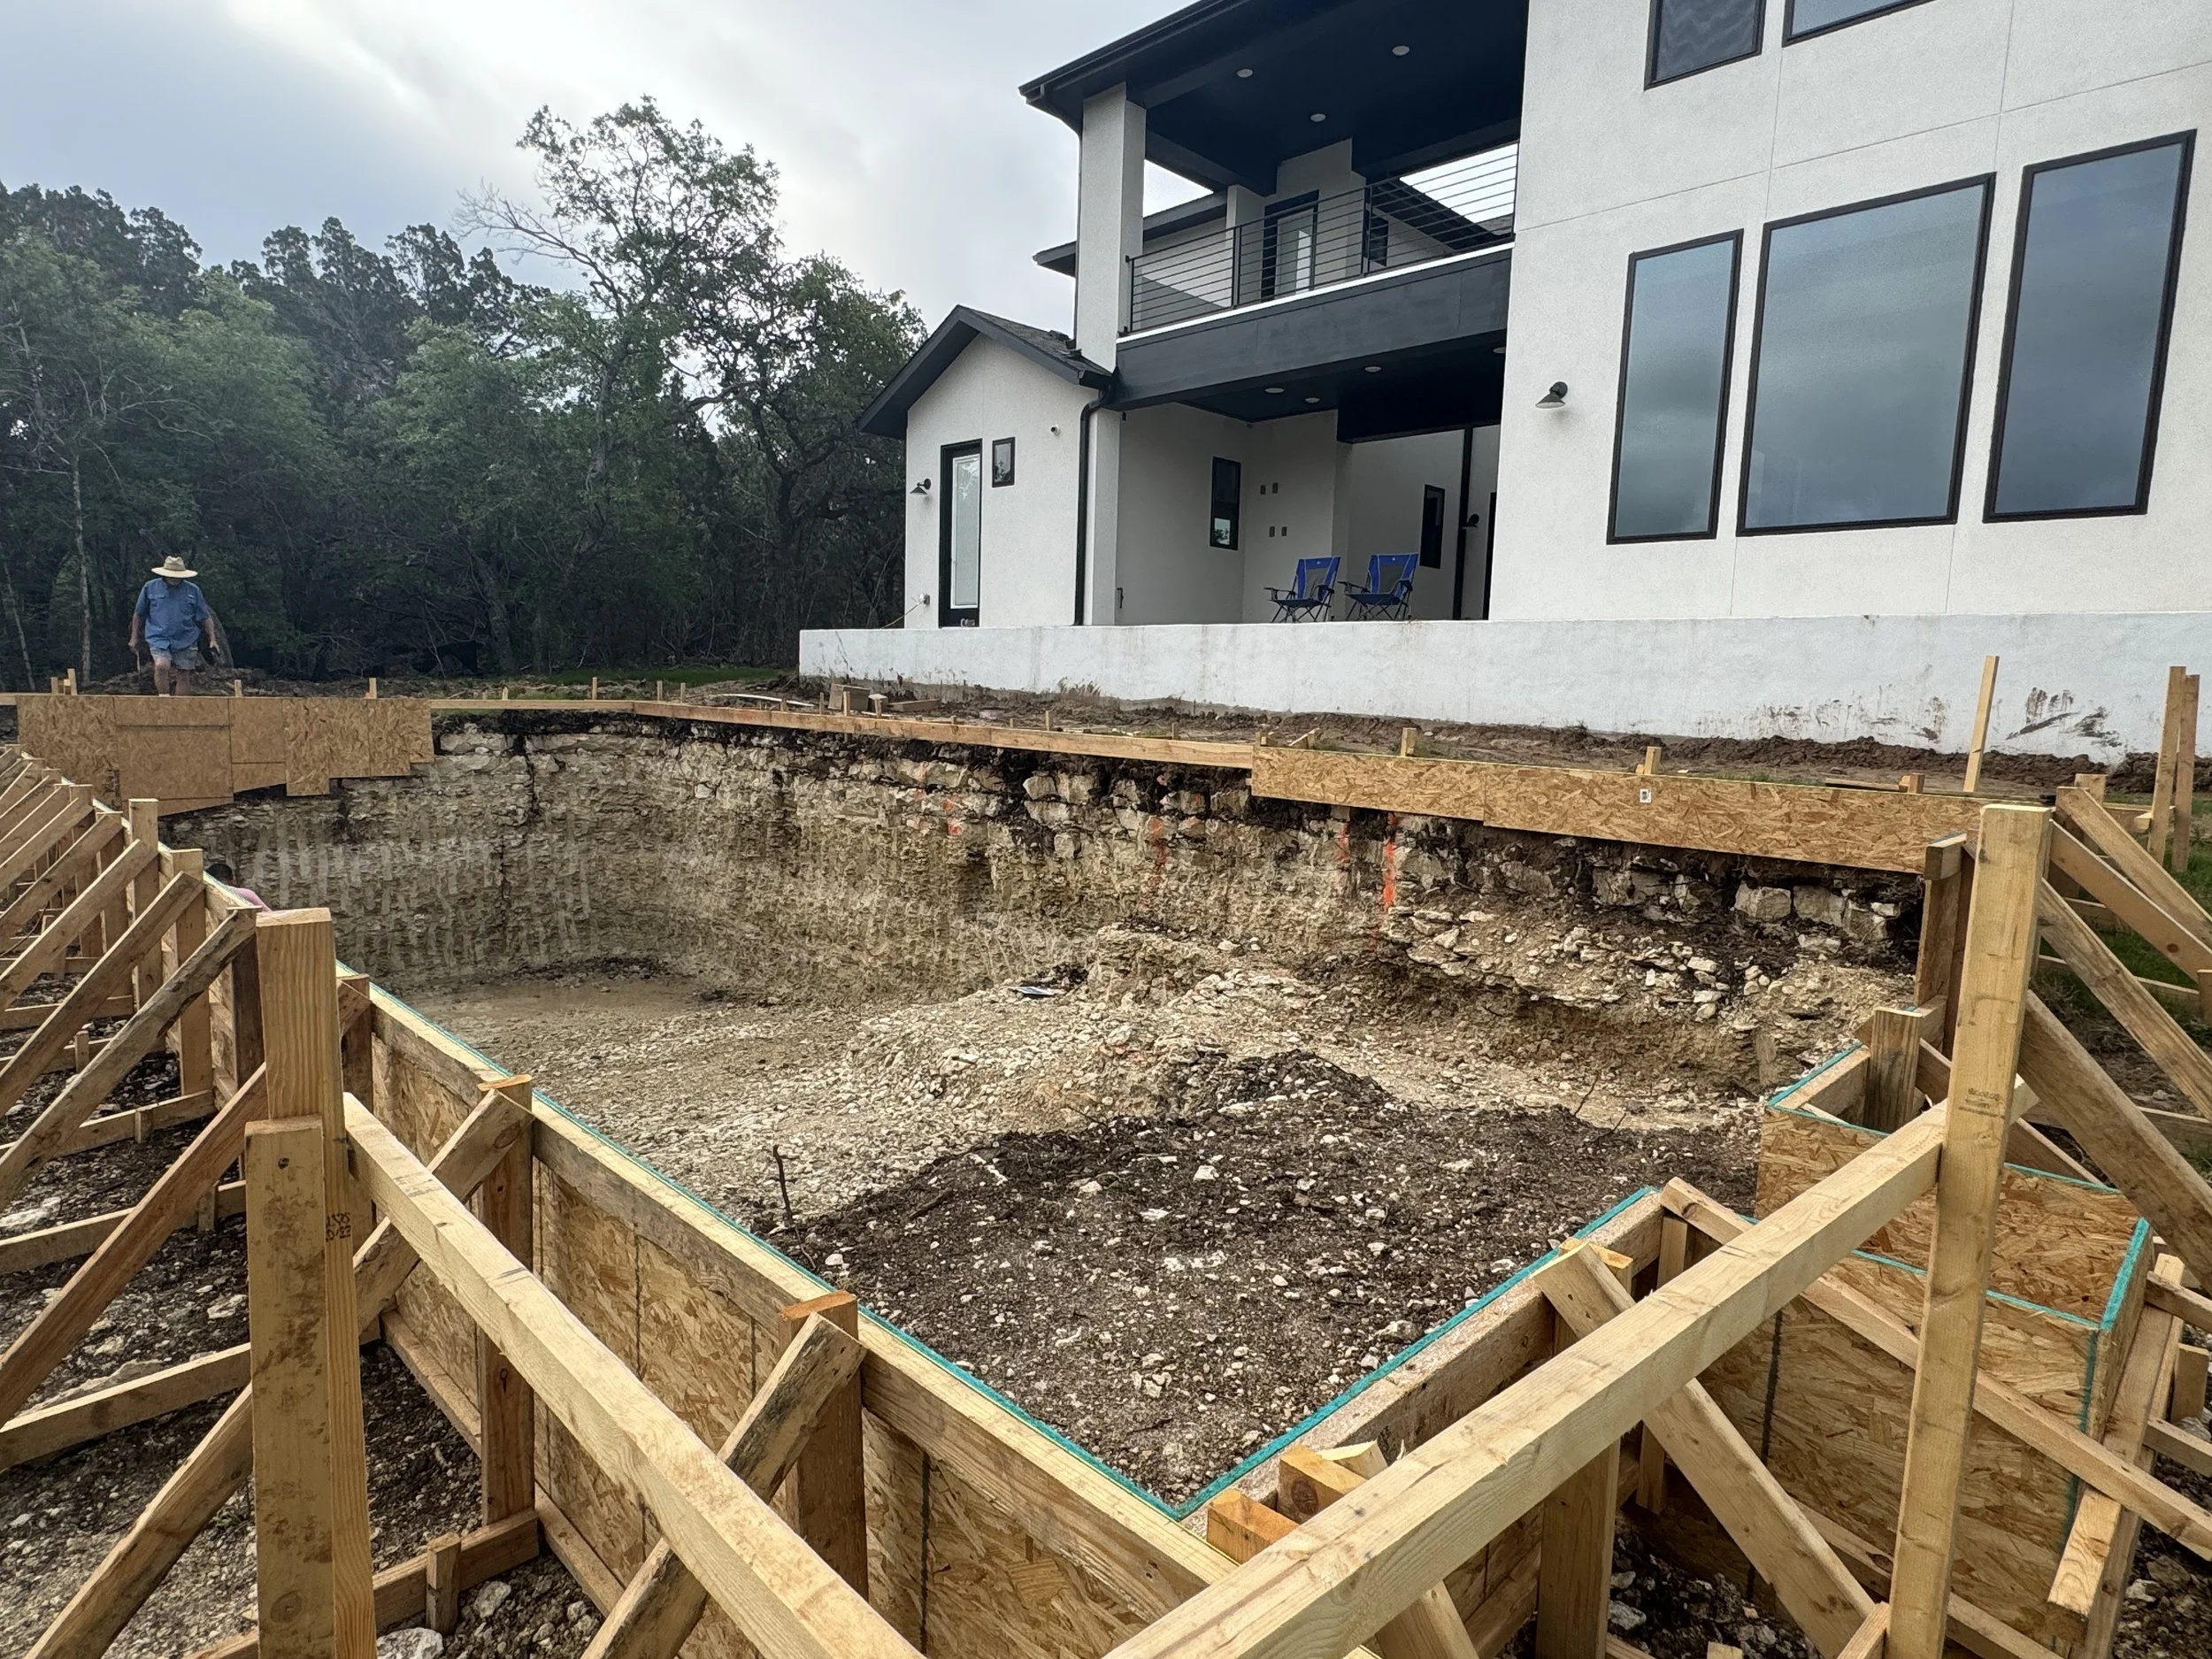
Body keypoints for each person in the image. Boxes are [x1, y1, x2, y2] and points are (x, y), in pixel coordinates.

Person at [128, 555, 219, 695]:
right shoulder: (150, 588)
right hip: (158, 636)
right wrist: (133, 638)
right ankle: (164, 699)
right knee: (161, 665)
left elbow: (205, 617)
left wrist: (212, 639)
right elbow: (139, 614)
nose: (174, 579)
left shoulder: (193, 590)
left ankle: (179, 707)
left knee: (183, 673)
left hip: (186, 637)